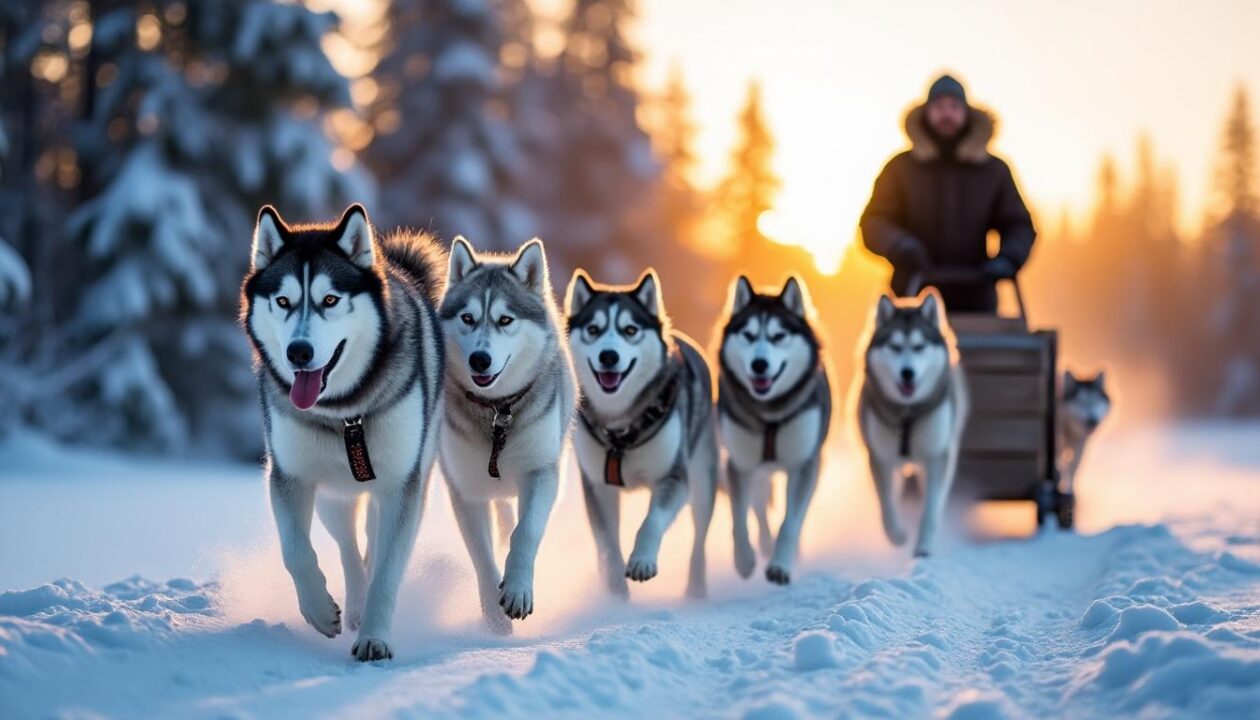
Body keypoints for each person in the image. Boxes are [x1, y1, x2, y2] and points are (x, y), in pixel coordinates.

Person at [860, 74, 1036, 313]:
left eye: (953, 107)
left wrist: (1008, 258)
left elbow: (1018, 224)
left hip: (976, 301)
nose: (947, 114)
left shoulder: (993, 170)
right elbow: (874, 222)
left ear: (966, 113)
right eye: (940, 106)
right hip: (912, 300)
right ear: (927, 112)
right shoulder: (900, 168)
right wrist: (901, 246)